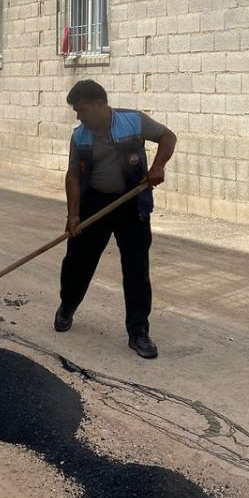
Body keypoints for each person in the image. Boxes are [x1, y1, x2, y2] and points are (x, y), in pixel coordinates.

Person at [56, 79, 176, 359]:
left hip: (131, 203)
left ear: (100, 105)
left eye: (82, 109)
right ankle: (67, 307)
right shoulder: (80, 136)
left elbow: (168, 137)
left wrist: (158, 167)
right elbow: (73, 175)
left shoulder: (133, 122)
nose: (78, 116)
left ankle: (138, 332)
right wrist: (73, 214)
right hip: (94, 203)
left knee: (136, 268)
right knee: (77, 262)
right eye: (76, 111)